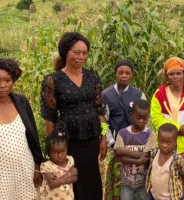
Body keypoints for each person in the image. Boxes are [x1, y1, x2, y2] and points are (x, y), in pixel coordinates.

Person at [40, 32, 107, 200]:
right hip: (68, 142)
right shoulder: (53, 80)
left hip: (91, 139)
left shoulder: (92, 77)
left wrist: (104, 137)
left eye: (84, 53)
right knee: (71, 186)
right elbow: (50, 117)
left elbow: (100, 111)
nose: (81, 57)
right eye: (76, 52)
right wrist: (51, 147)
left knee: (92, 183)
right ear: (65, 52)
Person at [0, 58, 43, 199]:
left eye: (7, 80)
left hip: (25, 172)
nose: (2, 85)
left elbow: (33, 137)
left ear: (13, 80)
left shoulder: (21, 102)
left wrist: (37, 167)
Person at [150, 56, 184, 200]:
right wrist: (178, 129)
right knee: (164, 182)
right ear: (166, 75)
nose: (175, 77)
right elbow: (156, 117)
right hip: (164, 145)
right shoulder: (159, 94)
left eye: (178, 73)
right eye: (171, 74)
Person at [102, 60, 146, 200]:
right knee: (118, 183)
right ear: (115, 74)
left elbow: (145, 121)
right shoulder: (106, 95)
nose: (124, 76)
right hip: (117, 148)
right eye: (120, 73)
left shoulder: (138, 95)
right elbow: (103, 122)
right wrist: (112, 142)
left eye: (127, 73)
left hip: (136, 147)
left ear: (132, 75)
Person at [114, 99, 155, 200]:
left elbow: (146, 157)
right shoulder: (122, 133)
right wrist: (137, 160)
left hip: (144, 181)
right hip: (126, 181)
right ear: (131, 115)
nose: (141, 121)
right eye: (138, 117)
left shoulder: (150, 134)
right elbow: (118, 156)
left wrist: (125, 151)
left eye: (144, 118)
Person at [146, 123, 184, 200]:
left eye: (168, 143)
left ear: (175, 143)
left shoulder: (177, 160)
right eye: (161, 141)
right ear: (157, 139)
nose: (164, 145)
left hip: (172, 197)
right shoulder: (154, 153)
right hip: (154, 196)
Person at [40, 122, 78, 200]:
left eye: (62, 152)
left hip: (68, 197)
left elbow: (75, 178)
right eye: (55, 153)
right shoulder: (46, 166)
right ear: (49, 153)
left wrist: (60, 181)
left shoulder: (70, 160)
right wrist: (70, 174)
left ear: (67, 149)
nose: (60, 155)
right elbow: (52, 183)